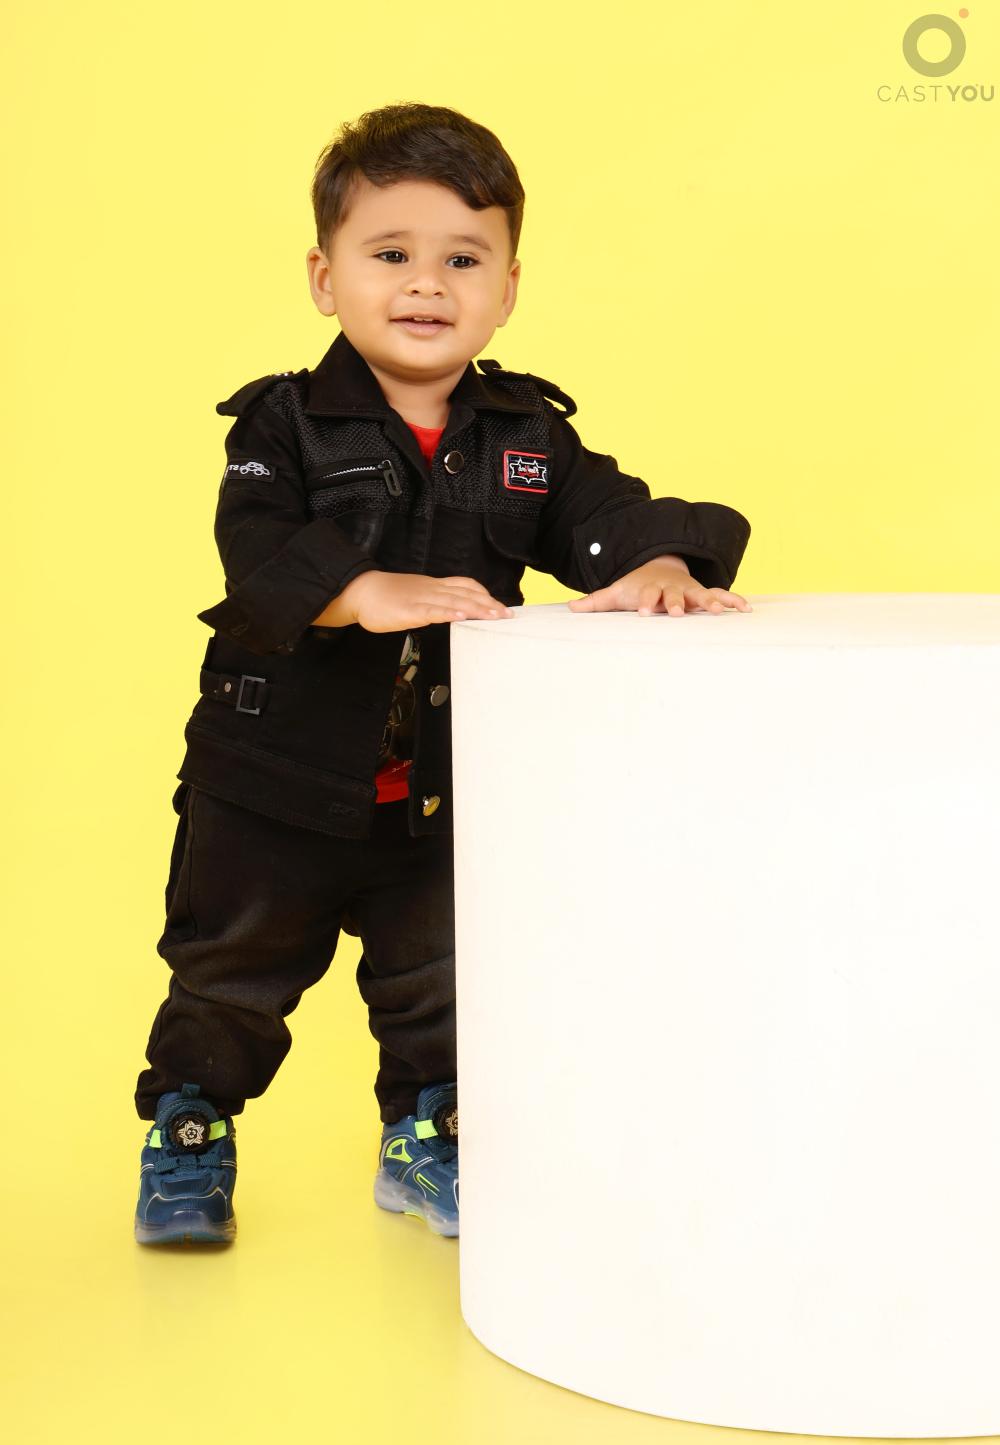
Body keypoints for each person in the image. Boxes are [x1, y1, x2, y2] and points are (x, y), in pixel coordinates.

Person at [133, 101, 753, 1247]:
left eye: (463, 260)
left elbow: (603, 516)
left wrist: (657, 560)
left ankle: (426, 1140)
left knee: (445, 982)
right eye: (390, 255)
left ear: (507, 289)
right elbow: (256, 551)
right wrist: (357, 590)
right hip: (271, 785)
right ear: (325, 278)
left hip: (436, 789)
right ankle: (189, 1135)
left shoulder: (527, 435)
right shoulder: (281, 424)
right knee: (230, 977)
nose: (427, 284)